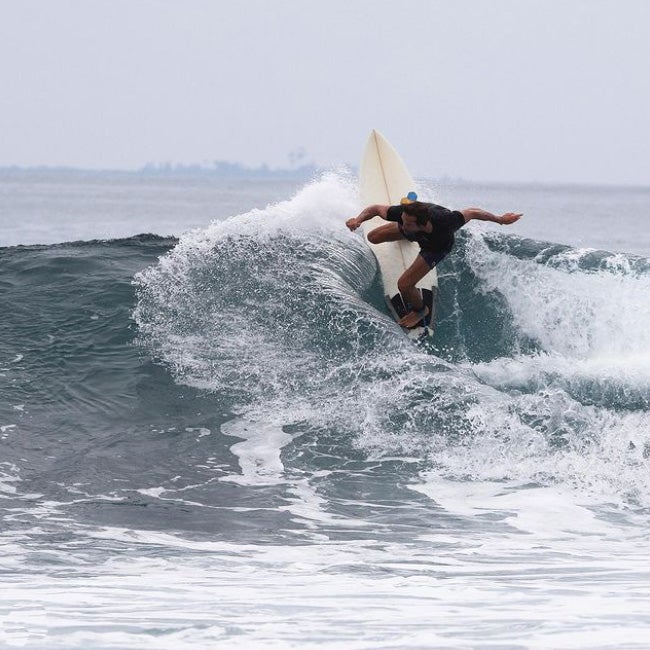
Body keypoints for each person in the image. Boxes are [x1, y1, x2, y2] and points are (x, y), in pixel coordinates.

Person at [346, 195, 522, 328]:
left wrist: (500, 220)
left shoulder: (446, 221)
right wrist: (358, 219)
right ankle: (408, 228)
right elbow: (376, 209)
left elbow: (472, 212)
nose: (402, 223)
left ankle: (420, 310)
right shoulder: (403, 216)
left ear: (423, 224)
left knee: (404, 285)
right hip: (415, 234)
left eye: (408, 223)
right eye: (402, 221)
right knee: (373, 237)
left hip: (435, 248)